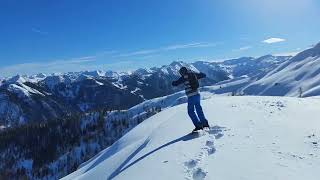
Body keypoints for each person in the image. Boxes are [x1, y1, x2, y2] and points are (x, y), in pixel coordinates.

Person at [172, 67, 209, 132]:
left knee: (191, 111)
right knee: (198, 109)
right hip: (197, 94)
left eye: (181, 73)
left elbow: (176, 83)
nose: (181, 74)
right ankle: (205, 124)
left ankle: (198, 126)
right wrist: (199, 72)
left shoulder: (184, 77)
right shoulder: (193, 74)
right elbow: (203, 75)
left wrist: (173, 82)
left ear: (182, 72)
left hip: (191, 96)